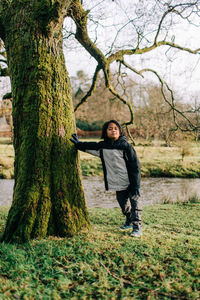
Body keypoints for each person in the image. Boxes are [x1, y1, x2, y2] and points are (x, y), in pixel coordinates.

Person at [70, 120, 142, 237]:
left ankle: (137, 228)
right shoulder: (102, 147)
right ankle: (129, 221)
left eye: (115, 129)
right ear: (105, 132)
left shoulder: (126, 146)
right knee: (123, 206)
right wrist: (78, 144)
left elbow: (135, 166)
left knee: (135, 205)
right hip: (119, 183)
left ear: (120, 132)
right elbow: (90, 146)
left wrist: (136, 184)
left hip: (131, 182)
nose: (113, 130)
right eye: (110, 129)